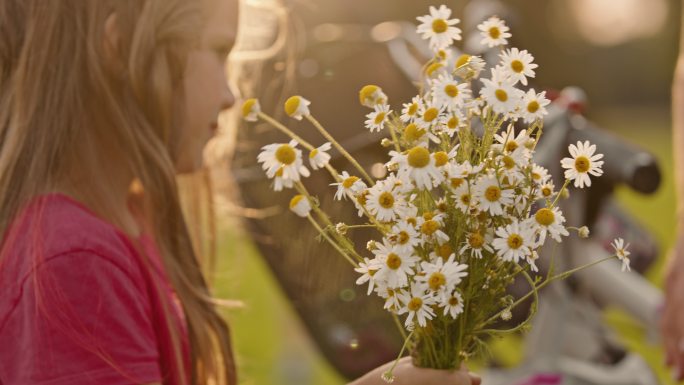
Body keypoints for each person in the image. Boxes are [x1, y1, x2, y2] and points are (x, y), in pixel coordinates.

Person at [0, 1, 480, 384]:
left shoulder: (123, 221)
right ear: (120, 49)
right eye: (217, 50)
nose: (232, 96)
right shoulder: (75, 263)